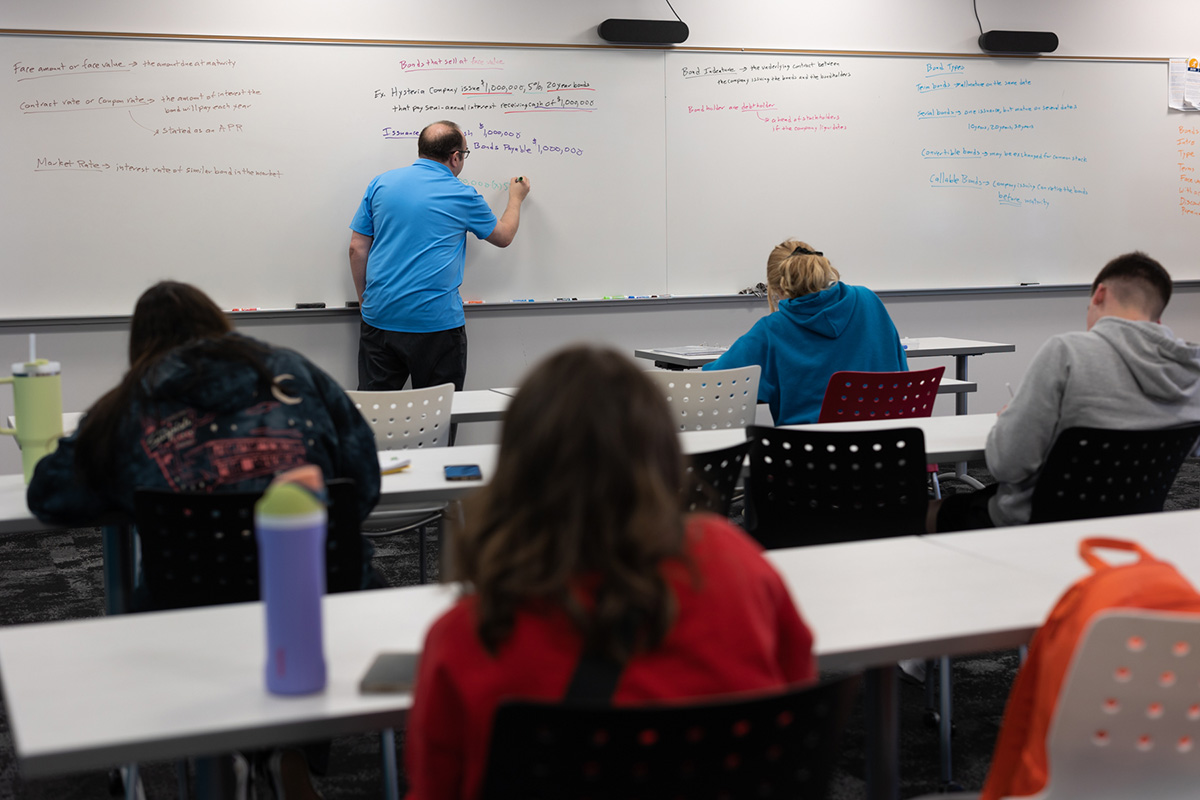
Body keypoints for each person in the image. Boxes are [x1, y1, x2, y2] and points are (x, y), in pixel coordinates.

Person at [404, 345, 816, 800]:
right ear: (663, 451)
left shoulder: (467, 637)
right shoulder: (735, 564)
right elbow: (797, 710)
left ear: (518, 468)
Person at [27, 280, 382, 579]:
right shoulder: (294, 371)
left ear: (139, 345)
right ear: (216, 322)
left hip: (187, 610)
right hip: (324, 590)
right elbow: (364, 484)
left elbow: (50, 495)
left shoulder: (128, 405)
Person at [931, 251, 1200, 532]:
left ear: (1099, 295)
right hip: (1136, 526)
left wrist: (1008, 419)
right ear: (1157, 317)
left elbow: (1008, 467)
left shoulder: (1067, 352)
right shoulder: (1190, 368)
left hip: (1038, 522)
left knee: (921, 512)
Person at [349, 119, 531, 394]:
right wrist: (516, 198)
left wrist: (366, 301)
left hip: (380, 318)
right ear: (455, 157)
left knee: (375, 415)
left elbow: (357, 248)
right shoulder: (462, 195)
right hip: (436, 324)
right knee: (437, 420)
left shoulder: (381, 184)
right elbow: (503, 236)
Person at [702, 239, 907, 425]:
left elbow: (713, 385)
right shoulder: (868, 301)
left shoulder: (771, 330)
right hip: (886, 451)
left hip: (808, 458)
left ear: (777, 289)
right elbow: (901, 373)